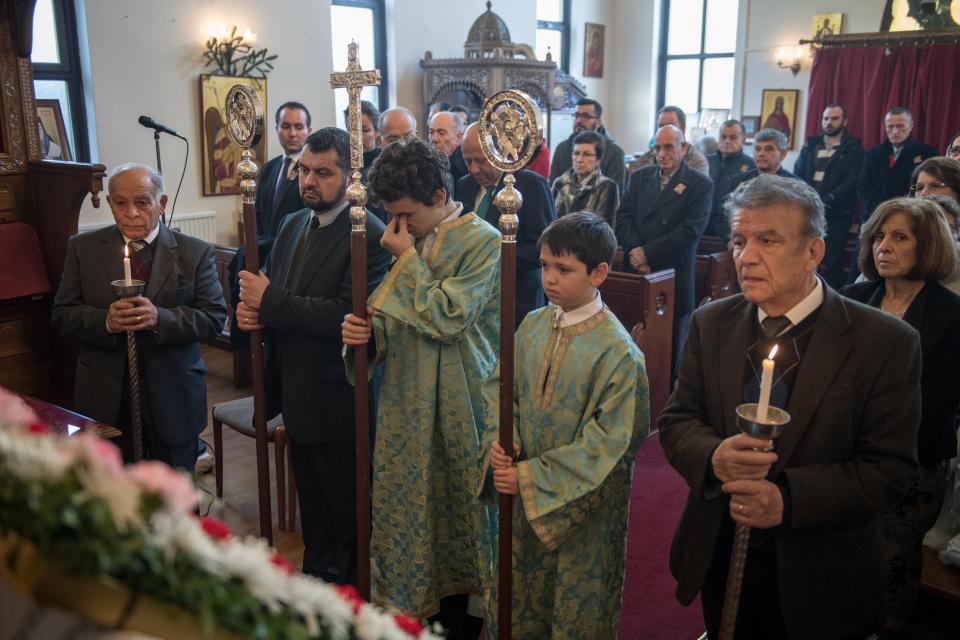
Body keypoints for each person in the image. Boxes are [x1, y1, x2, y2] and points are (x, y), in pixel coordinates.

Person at [659, 174, 922, 639]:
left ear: (813, 252)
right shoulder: (710, 323)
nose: (746, 256)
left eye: (768, 240)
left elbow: (889, 469)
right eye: (739, 240)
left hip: (818, 567)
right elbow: (679, 419)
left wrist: (787, 499)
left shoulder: (883, 343)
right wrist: (713, 455)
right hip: (720, 546)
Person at [341, 136, 499, 637]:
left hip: (463, 400)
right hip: (406, 399)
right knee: (409, 514)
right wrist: (365, 337)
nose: (396, 227)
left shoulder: (485, 241)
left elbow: (449, 318)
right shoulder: (406, 238)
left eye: (406, 215)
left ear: (437, 196)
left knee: (460, 514)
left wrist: (406, 260)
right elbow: (395, 316)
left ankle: (461, 620)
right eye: (393, 216)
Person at [480, 212, 649, 639]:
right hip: (522, 498)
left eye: (564, 269)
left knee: (573, 613)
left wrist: (532, 478)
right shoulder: (533, 324)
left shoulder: (618, 352)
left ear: (599, 273)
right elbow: (503, 389)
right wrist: (504, 439)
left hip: (582, 514)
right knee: (519, 603)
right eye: (544, 266)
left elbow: (612, 442)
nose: (549, 279)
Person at [235, 128, 390, 583]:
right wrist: (254, 314)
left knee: (347, 519)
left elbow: (347, 316)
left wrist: (270, 303)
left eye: (323, 173)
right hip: (297, 392)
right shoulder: (291, 224)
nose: (309, 181)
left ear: (349, 176)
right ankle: (317, 593)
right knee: (314, 517)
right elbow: (269, 287)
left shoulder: (368, 233)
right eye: (304, 170)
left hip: (340, 399)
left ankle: (351, 600)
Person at [52, 163, 227, 470]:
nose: (131, 213)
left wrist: (160, 318)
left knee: (175, 499)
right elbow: (62, 315)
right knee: (117, 499)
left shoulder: (193, 252)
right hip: (106, 394)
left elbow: (213, 317)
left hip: (174, 393)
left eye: (142, 202)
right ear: (110, 204)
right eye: (121, 203)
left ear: (161, 204)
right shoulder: (84, 249)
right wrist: (106, 320)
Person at [840, 197, 960, 637]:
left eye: (899, 237)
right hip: (847, 456)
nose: (882, 247)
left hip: (911, 462)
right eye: (878, 236)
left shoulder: (950, 313)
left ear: (927, 246)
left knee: (890, 563)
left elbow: (941, 402)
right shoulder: (854, 298)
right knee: (841, 558)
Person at [615, 124, 712, 371]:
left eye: (668, 146)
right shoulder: (639, 177)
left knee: (668, 356)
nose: (662, 153)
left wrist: (648, 253)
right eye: (657, 147)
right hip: (637, 271)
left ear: (684, 147)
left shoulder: (700, 185)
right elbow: (623, 217)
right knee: (631, 344)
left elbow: (690, 230)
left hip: (672, 274)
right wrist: (636, 251)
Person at [228, 101, 311, 346]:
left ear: (308, 130)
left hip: (294, 253)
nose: (292, 133)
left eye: (299, 126)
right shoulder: (270, 167)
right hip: (265, 251)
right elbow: (260, 214)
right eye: (286, 126)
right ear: (276, 129)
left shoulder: (310, 171)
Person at [457, 121, 555, 326]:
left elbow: (543, 248)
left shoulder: (531, 185)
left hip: (518, 297)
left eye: (480, 160)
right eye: (468, 161)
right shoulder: (464, 185)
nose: (474, 169)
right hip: (474, 298)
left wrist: (489, 257)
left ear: (499, 150)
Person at [794, 104, 864, 289]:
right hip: (807, 213)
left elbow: (853, 182)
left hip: (837, 215)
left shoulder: (853, 147)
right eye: (826, 118)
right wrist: (809, 200)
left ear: (844, 121)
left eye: (834, 119)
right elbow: (797, 175)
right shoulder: (811, 144)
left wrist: (825, 201)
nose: (829, 123)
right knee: (804, 259)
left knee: (831, 263)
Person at [715, 128, 801, 241]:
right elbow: (721, 215)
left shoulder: (795, 186)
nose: (761, 154)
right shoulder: (738, 181)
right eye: (758, 149)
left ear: (783, 154)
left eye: (768, 149)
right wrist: (730, 240)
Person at [857, 107, 938, 220]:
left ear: (910, 126)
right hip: (875, 215)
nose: (895, 132)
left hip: (911, 215)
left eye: (900, 126)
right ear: (885, 127)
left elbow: (929, 188)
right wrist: (883, 209)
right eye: (890, 126)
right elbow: (863, 187)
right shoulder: (873, 154)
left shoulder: (927, 153)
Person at [548, 98, 626, 192]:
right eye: (576, 116)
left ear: (598, 123)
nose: (579, 121)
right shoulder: (562, 148)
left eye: (585, 116)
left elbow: (615, 195)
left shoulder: (614, 152)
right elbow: (553, 190)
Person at [551, 130, 620, 226]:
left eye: (587, 154)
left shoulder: (606, 186)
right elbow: (549, 220)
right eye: (576, 153)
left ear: (598, 160)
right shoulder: (559, 183)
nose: (579, 160)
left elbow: (605, 229)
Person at [705, 119, 755, 237]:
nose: (727, 141)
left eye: (733, 137)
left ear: (743, 140)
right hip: (703, 227)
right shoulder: (706, 161)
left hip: (731, 230)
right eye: (723, 137)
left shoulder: (751, 165)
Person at [633, 105, 710, 177]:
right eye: (660, 126)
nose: (665, 130)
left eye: (670, 126)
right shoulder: (645, 159)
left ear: (683, 130)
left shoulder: (697, 162)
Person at [343, 99, 381, 180]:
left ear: (377, 132)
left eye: (365, 130)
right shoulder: (341, 163)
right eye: (353, 130)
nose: (358, 137)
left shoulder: (385, 163)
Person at [429, 110, 468, 184]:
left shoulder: (468, 166)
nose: (434, 139)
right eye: (431, 132)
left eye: (441, 133)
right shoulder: (424, 164)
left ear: (459, 137)